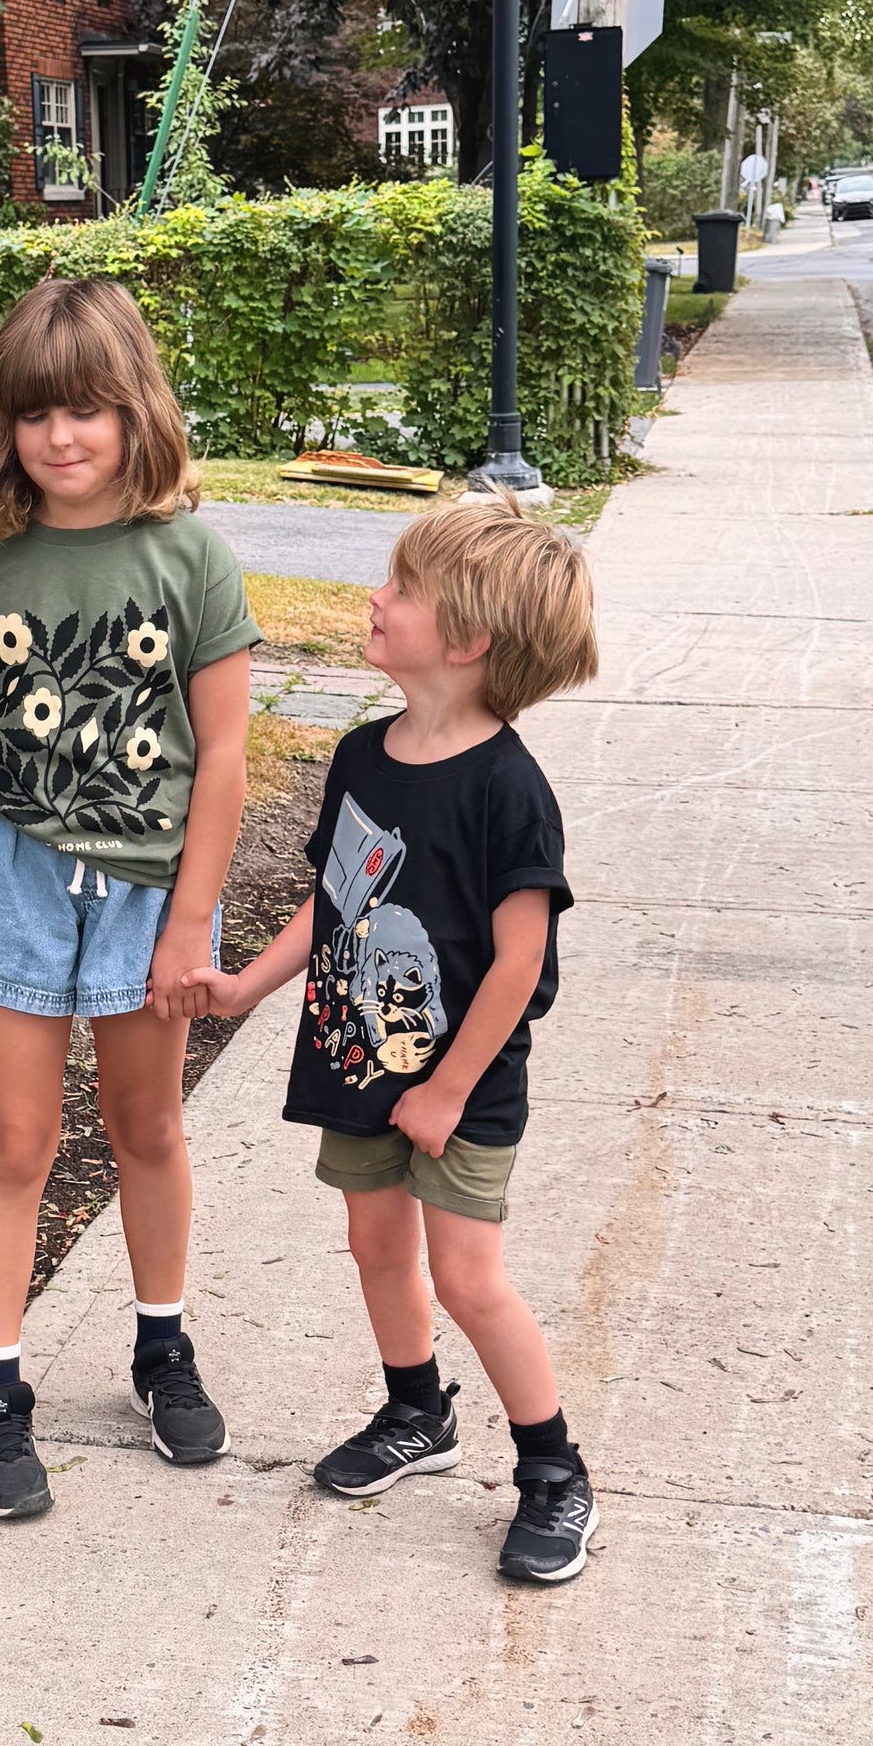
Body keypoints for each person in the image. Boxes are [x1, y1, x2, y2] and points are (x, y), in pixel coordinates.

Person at [188, 490, 599, 1585]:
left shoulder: (510, 789)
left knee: (470, 1278)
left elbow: (520, 964)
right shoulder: (364, 753)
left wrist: (452, 1092)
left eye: (402, 589)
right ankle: (418, 1410)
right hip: (357, 1061)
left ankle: (554, 1469)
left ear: (466, 640)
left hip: (457, 1085)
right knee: (377, 1249)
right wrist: (244, 990)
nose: (377, 596)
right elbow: (333, 903)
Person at [0, 274, 259, 1522]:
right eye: (35, 415)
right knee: (12, 1143)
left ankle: (162, 1346)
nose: (61, 438)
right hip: (6, 874)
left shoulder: (192, 557)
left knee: (147, 1127)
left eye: (88, 411)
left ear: (136, 413)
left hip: (147, 888)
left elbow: (222, 753)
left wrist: (189, 918)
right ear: (4, 424)